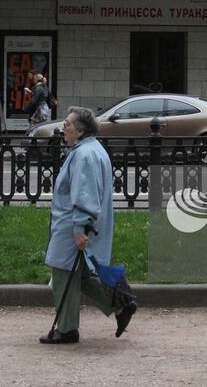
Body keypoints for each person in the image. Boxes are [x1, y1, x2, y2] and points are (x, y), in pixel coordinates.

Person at [41, 106, 135, 344]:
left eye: (68, 124)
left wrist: (79, 228)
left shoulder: (84, 155)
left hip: (71, 227)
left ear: (80, 130)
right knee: (80, 277)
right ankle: (120, 304)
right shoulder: (92, 149)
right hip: (79, 225)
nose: (64, 127)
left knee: (63, 274)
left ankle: (67, 329)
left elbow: (85, 194)